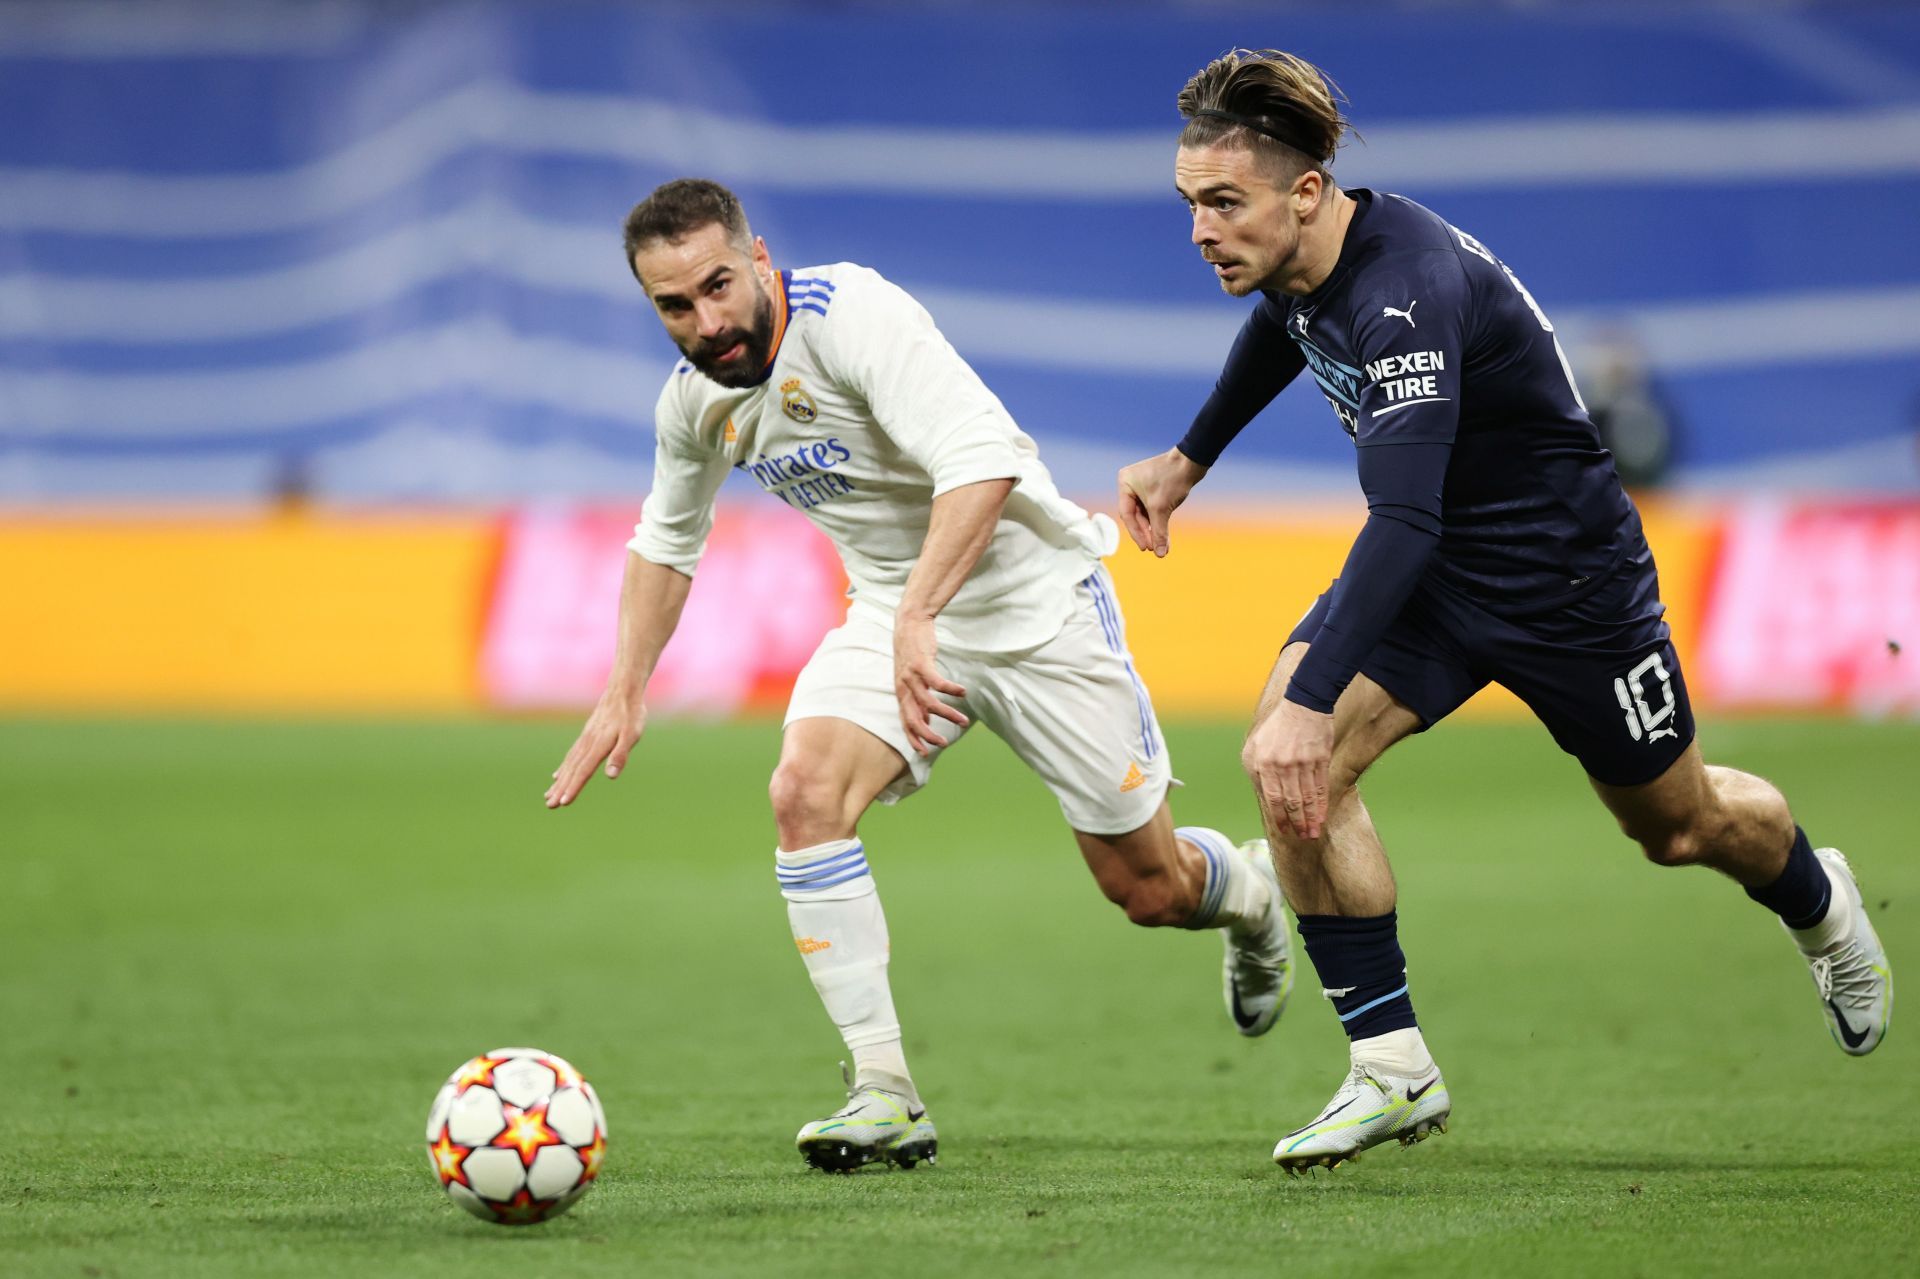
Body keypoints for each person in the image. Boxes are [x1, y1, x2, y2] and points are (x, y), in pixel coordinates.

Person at [1117, 49, 1893, 1175]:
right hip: (1437, 575)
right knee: (1292, 765)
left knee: (1677, 827)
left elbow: (1407, 520)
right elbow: (1286, 326)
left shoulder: (1407, 292)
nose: (1200, 229)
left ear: (1304, 192)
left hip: (1566, 583)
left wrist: (1314, 694)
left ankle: (1824, 910)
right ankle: (1392, 1068)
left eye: (1222, 203)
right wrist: (1192, 455)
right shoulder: (1306, 262)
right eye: (1190, 203)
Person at [545, 178, 1294, 1173]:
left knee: (1147, 889)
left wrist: (921, 615)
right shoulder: (695, 404)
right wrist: (625, 685)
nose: (708, 321)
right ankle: (884, 1090)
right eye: (674, 306)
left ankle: (1245, 892)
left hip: (1035, 607)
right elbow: (666, 540)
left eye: (719, 285)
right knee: (804, 791)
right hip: (897, 609)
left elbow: (979, 462)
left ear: (759, 258)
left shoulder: (853, 315)